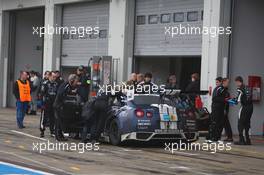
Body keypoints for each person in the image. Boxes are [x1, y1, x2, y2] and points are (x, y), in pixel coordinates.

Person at [53, 74, 80, 141]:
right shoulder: (66, 85)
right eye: (76, 81)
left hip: (62, 106)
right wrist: (65, 100)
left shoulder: (70, 86)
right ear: (72, 80)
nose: (76, 83)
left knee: (61, 121)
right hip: (58, 105)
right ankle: (58, 136)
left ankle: (60, 135)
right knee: (58, 121)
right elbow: (60, 94)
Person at [232, 76, 253, 145]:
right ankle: (248, 140)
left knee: (240, 123)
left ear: (238, 81)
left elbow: (237, 100)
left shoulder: (240, 89)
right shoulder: (248, 87)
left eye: (236, 82)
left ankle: (242, 140)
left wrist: (231, 100)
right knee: (247, 123)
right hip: (251, 107)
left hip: (244, 107)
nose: (236, 84)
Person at [39, 72, 59, 138]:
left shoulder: (56, 84)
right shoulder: (45, 84)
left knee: (52, 118)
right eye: (53, 77)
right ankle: (42, 131)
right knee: (44, 118)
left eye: (55, 77)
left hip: (53, 104)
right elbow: (42, 94)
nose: (54, 78)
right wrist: (42, 103)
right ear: (50, 76)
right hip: (46, 104)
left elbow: (57, 94)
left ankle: (52, 131)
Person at [209, 77, 226, 141]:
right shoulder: (218, 88)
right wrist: (224, 99)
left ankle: (216, 137)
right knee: (216, 122)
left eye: (217, 82)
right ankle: (214, 137)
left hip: (218, 108)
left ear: (221, 82)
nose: (216, 83)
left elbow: (216, 98)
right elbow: (215, 98)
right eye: (216, 82)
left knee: (218, 123)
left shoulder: (220, 88)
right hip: (216, 108)